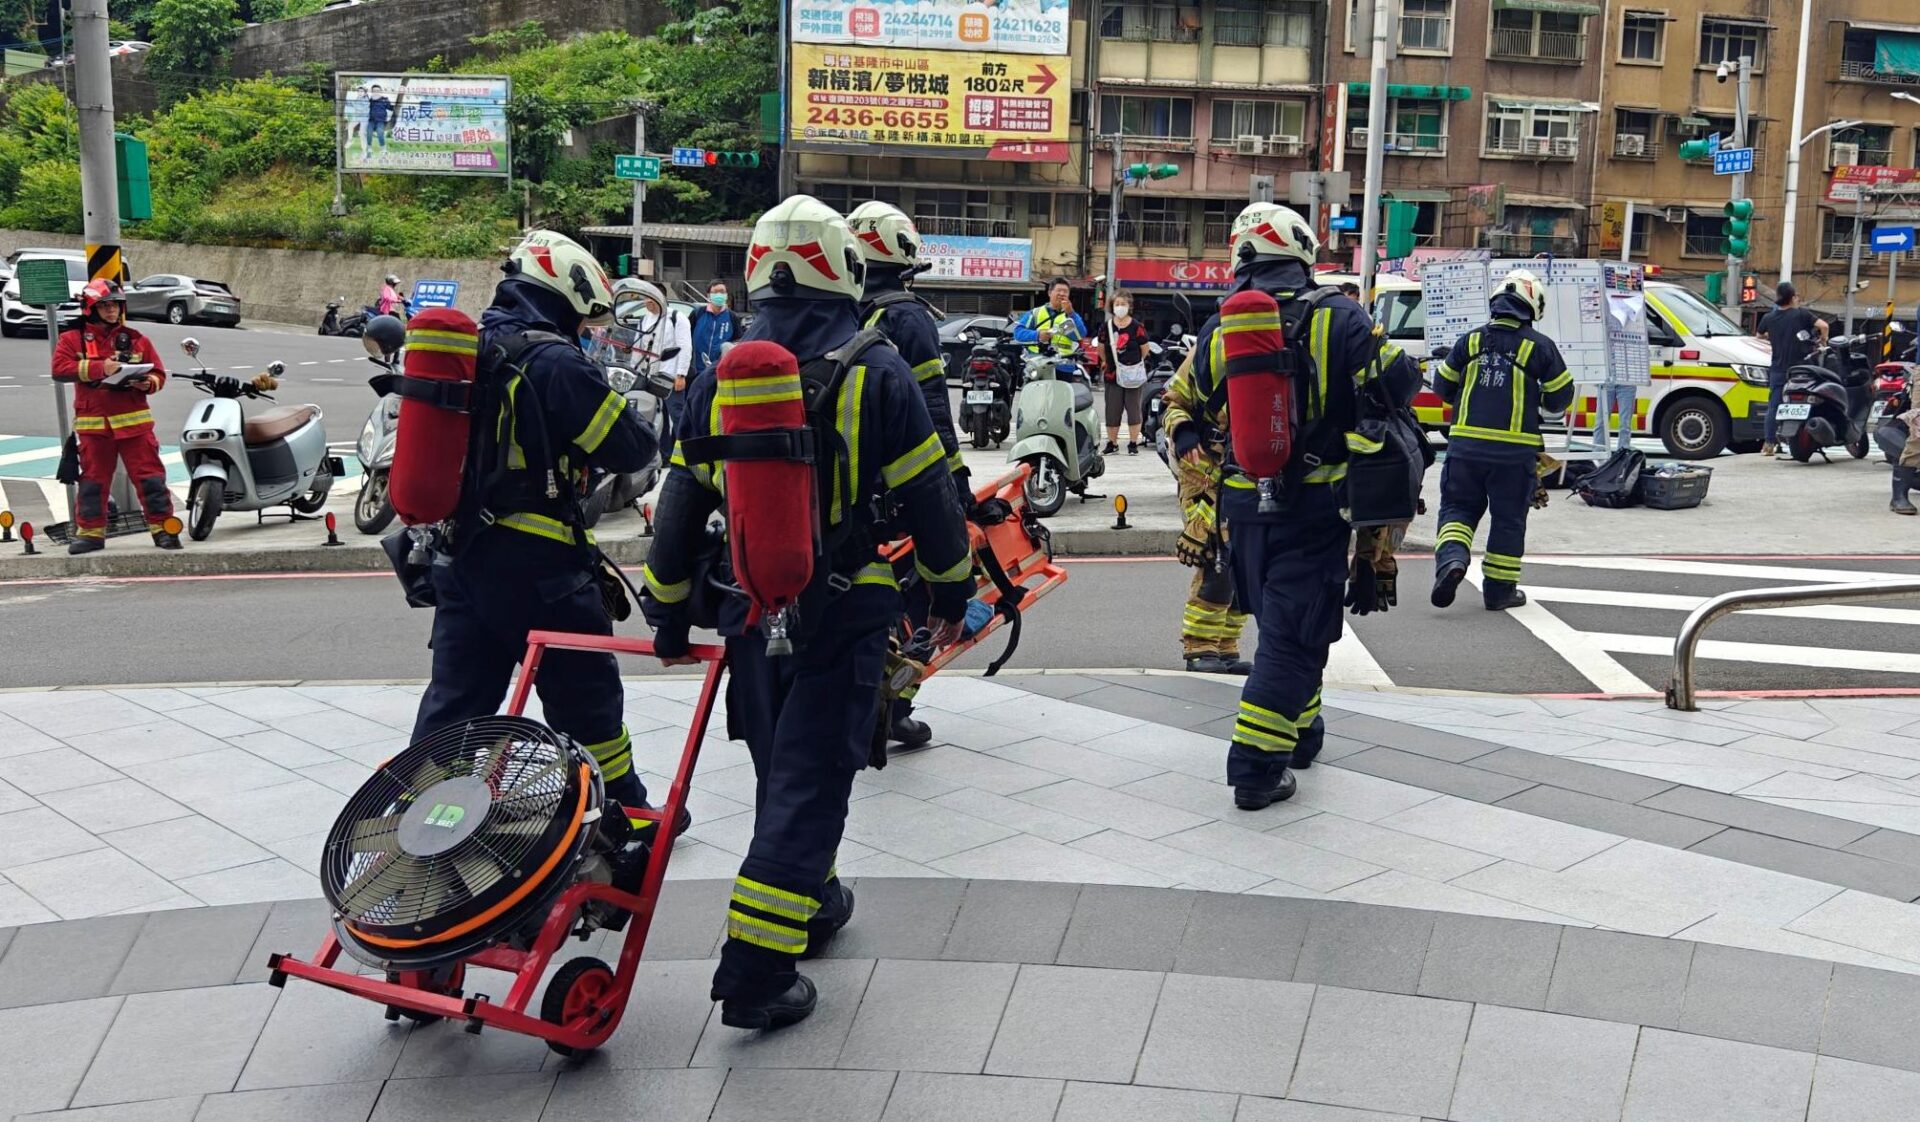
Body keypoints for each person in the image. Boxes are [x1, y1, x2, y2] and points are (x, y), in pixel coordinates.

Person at [642, 195, 972, 1030]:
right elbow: (930, 496)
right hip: (846, 607)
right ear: (844, 267)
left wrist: (671, 611)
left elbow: (681, 502)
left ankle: (812, 898)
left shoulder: (725, 372)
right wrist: (951, 590)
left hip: (750, 604)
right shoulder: (877, 365)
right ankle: (755, 974)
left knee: (778, 768)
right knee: (813, 780)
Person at [410, 230, 663, 824]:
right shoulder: (551, 360)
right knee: (587, 699)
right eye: (583, 319)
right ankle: (624, 814)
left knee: (456, 705)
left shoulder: (468, 347)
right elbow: (631, 448)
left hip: (460, 559)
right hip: (541, 567)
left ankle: (421, 820)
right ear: (565, 294)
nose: (584, 330)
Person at [1164, 202, 1402, 810]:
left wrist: (1203, 496)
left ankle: (1304, 733)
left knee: (1285, 623)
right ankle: (1256, 769)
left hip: (1240, 509)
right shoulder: (1343, 317)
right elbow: (1399, 383)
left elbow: (1178, 409)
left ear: (1242, 256)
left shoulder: (1222, 326)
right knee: (1294, 637)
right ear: (1301, 255)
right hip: (1314, 504)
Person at [848, 199, 967, 750]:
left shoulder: (848, 309)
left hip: (852, 484)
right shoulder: (906, 314)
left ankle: (860, 697)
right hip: (904, 481)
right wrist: (953, 480)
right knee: (917, 596)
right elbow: (932, 407)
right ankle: (895, 704)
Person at [1430, 268, 1575, 613]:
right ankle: (1498, 591)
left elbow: (1441, 388)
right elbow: (1559, 398)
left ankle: (1452, 560)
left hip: (1464, 449)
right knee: (1508, 519)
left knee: (1457, 509)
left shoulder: (1470, 341)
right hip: (1514, 455)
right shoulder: (1540, 347)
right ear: (1532, 308)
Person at [51, 280, 180, 555]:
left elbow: (158, 374)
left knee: (151, 479)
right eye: (105, 305)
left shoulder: (137, 338)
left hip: (135, 425)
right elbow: (60, 369)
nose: (112, 310)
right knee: (93, 482)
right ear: (90, 308)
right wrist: (100, 368)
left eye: (116, 305)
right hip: (93, 427)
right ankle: (91, 535)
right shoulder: (72, 338)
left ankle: (164, 530)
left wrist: (148, 383)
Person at [1757, 282, 1827, 457]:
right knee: (1810, 400)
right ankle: (1807, 438)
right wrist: (1823, 341)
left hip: (1778, 369)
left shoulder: (1769, 318)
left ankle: (1768, 443)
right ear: (1792, 297)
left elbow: (1759, 336)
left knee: (1774, 405)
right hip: (1802, 369)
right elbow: (1824, 326)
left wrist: (1772, 338)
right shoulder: (1801, 314)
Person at [1099, 292, 1150, 455]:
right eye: (1117, 303)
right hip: (1112, 375)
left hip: (1133, 375)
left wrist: (1132, 365)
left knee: (1134, 410)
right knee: (1112, 410)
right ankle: (1112, 443)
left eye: (1123, 303)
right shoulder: (1106, 327)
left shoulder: (1137, 327)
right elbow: (1101, 347)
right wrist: (1106, 361)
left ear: (1129, 306)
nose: (1120, 306)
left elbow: (1145, 349)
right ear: (1112, 306)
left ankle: (1133, 443)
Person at [1013, 277, 1087, 371]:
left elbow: (1081, 334)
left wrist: (1071, 313)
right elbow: (1018, 333)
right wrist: (1038, 335)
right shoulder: (1035, 313)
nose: (1062, 294)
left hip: (1064, 365)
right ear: (1049, 293)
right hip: (1037, 364)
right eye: (1059, 290)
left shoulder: (1071, 315)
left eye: (1065, 292)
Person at [689, 279, 740, 381]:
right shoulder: (698, 314)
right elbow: (686, 338)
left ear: (726, 295)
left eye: (722, 292)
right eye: (715, 292)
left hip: (719, 372)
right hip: (695, 372)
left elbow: (737, 341)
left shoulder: (732, 317)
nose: (719, 295)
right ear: (708, 295)